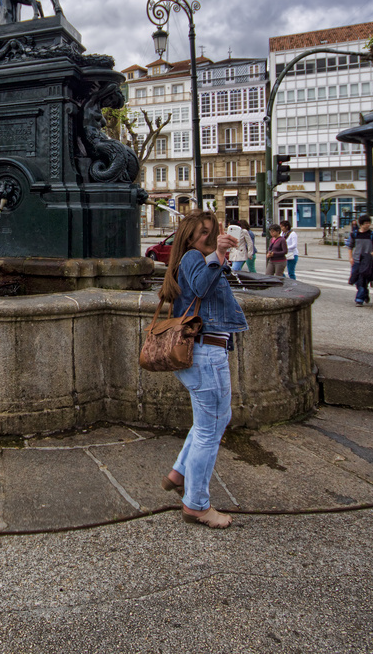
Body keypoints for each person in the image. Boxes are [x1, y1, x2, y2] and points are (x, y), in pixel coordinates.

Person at [159, 210, 248, 529]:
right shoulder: (194, 258)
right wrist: (219, 253)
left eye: (214, 232)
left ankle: (180, 472)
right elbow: (199, 287)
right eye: (204, 234)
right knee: (210, 430)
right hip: (205, 354)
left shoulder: (197, 256)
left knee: (215, 420)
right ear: (190, 238)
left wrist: (219, 255)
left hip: (205, 352)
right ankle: (196, 504)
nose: (210, 238)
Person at [347, 214, 373, 305]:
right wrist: (350, 258)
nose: (368, 225)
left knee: (363, 280)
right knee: (356, 280)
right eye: (366, 223)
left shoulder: (372, 235)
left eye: (369, 223)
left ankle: (359, 299)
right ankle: (365, 293)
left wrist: (370, 255)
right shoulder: (354, 234)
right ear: (361, 224)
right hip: (356, 260)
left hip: (367, 262)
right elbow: (350, 246)